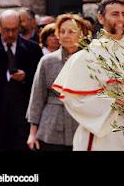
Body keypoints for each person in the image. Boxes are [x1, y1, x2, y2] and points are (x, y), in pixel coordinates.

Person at [52, 0, 124, 150]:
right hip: (99, 134)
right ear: (101, 18)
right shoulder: (86, 56)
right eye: (115, 14)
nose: (121, 19)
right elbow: (74, 100)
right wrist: (115, 102)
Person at [0, 9, 43, 150]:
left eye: (14, 30)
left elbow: (39, 82)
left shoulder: (32, 49)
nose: (10, 34)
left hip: (22, 117)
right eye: (6, 30)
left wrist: (26, 76)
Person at [26, 14, 91, 151]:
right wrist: (32, 133)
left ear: (82, 34)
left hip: (81, 123)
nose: (66, 35)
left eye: (71, 31)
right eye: (62, 31)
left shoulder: (91, 61)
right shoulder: (47, 61)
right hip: (51, 126)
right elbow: (37, 97)